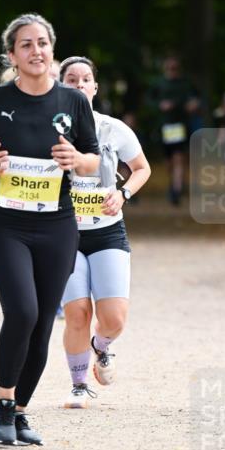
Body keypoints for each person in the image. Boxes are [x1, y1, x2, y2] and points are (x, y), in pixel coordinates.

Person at [0, 14, 100, 446]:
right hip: (6, 224)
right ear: (12, 55)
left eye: (42, 43)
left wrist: (76, 160)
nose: (36, 51)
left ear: (52, 50)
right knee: (21, 311)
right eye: (26, 45)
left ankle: (21, 413)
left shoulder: (73, 103)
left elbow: (94, 160)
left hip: (57, 225)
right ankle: (2, 405)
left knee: (42, 324)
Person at [59, 56, 151, 407]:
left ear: (95, 88)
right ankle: (79, 385)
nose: (79, 85)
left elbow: (141, 168)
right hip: (65, 235)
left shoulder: (114, 129)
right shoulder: (47, 129)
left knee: (114, 319)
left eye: (85, 80)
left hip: (107, 232)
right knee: (78, 311)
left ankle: (101, 346)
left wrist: (124, 193)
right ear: (60, 86)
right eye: (71, 79)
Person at [146, 54, 199, 205]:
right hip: (165, 127)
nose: (172, 70)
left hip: (181, 125)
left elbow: (196, 98)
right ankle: (173, 184)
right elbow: (149, 99)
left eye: (174, 68)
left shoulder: (186, 83)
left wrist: (193, 104)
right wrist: (160, 105)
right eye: (169, 67)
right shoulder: (159, 83)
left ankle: (177, 189)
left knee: (179, 158)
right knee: (169, 161)